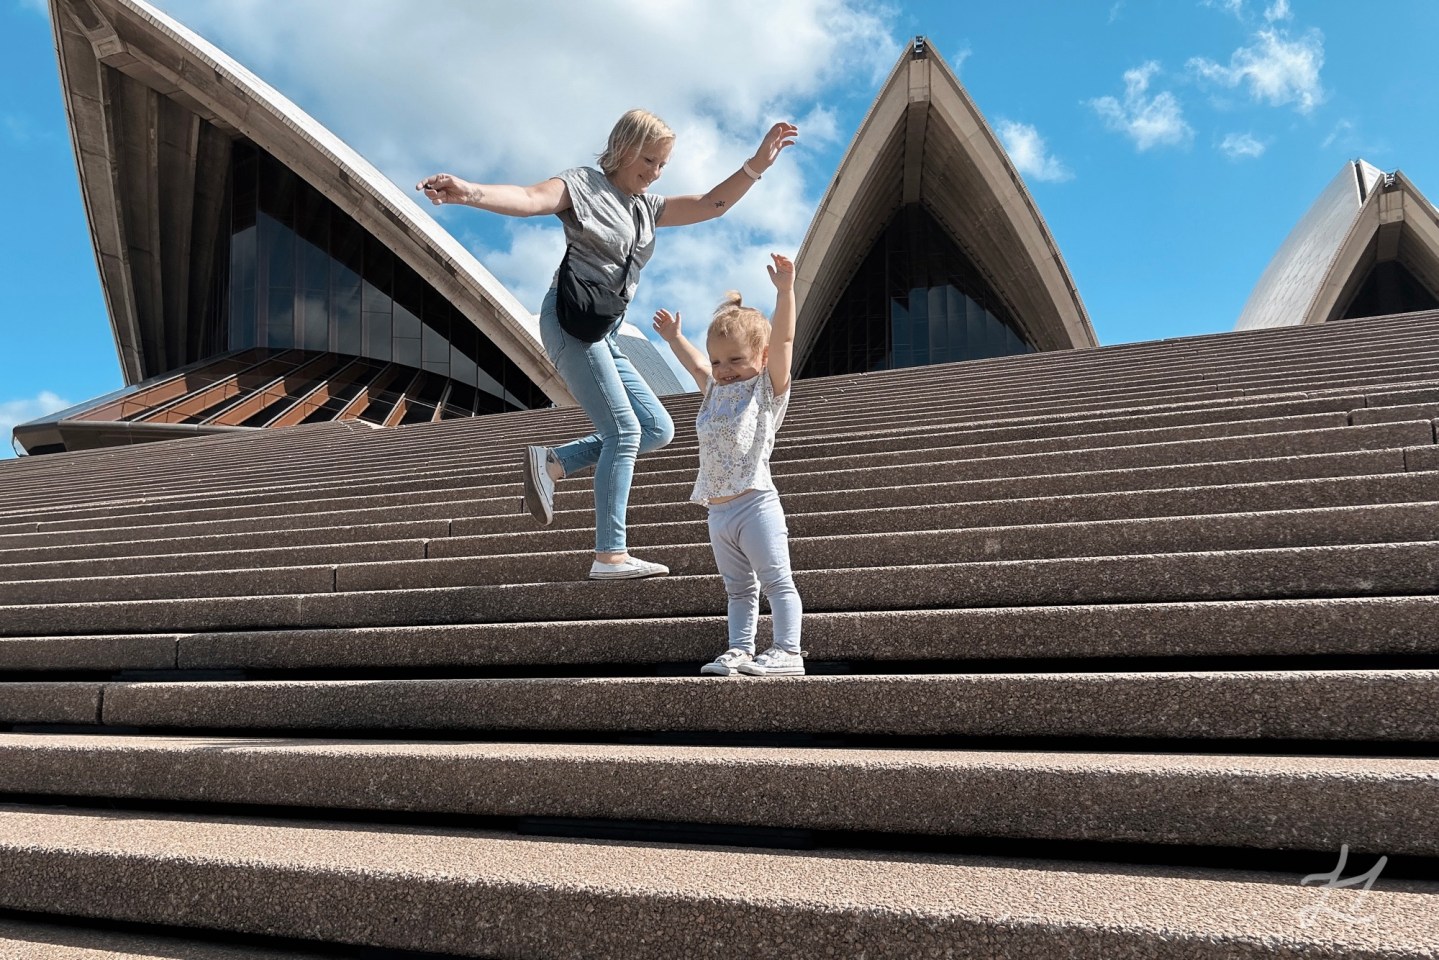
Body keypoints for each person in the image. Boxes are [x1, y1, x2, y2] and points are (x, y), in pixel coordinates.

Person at [417, 111, 798, 580]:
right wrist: (470, 192)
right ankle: (609, 555)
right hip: (571, 322)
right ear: (623, 148)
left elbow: (711, 204)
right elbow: (530, 198)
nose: (656, 171)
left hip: (607, 331)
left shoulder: (647, 207)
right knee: (624, 431)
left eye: (662, 164)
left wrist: (756, 164)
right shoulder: (583, 185)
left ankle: (554, 461)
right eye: (649, 159)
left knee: (657, 428)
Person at [653, 253, 804, 676]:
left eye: (736, 360)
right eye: (719, 361)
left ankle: (788, 652)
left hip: (755, 503)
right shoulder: (713, 392)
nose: (724, 370)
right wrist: (673, 339)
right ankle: (740, 649)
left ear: (760, 357)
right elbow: (697, 365)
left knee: (776, 581)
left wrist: (785, 292)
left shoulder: (767, 391)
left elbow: (786, 342)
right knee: (738, 590)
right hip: (718, 510)